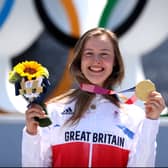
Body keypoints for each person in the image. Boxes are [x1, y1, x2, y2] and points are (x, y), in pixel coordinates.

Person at [22, 27, 166, 167]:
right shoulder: (53, 111)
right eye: (89, 53)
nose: (96, 60)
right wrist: (31, 134)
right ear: (79, 60)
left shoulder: (135, 116)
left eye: (104, 54)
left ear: (115, 61)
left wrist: (151, 122)